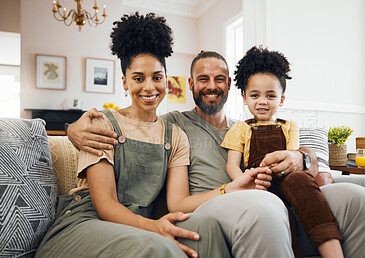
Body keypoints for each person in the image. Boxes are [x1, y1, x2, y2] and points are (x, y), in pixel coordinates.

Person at [68, 50, 365, 257]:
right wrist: (74, 129)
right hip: (218, 207)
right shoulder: (172, 125)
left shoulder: (251, 125)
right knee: (264, 206)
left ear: (230, 83)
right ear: (191, 84)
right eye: (203, 79)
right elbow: (134, 127)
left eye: (219, 79)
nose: (211, 85)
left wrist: (302, 158)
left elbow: (313, 161)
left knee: (363, 202)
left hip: (275, 198)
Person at [35, 12, 233, 258]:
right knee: (158, 246)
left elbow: (177, 202)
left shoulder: (175, 135)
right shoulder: (102, 123)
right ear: (125, 82)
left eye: (157, 77)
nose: (149, 87)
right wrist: (153, 227)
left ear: (166, 80)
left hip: (138, 224)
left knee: (207, 228)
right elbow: (105, 204)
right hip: (88, 222)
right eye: (138, 78)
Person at [221, 46, 343, 257]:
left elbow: (293, 158)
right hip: (259, 183)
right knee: (278, 214)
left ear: (281, 99)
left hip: (287, 179)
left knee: (300, 182)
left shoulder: (290, 126)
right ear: (244, 98)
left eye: (270, 95)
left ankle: (333, 252)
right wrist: (247, 184)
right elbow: (232, 164)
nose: (262, 101)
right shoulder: (240, 129)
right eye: (254, 95)